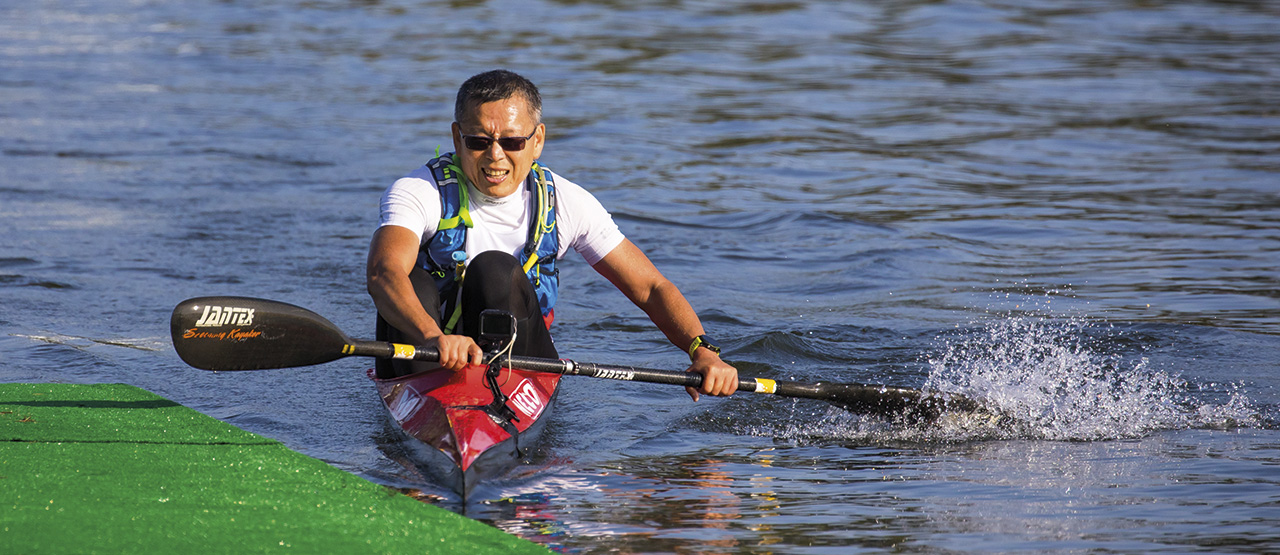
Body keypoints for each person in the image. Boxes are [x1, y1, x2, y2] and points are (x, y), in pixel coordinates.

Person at [365, 69, 736, 400]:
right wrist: (433, 337)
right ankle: (439, 393)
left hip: (517, 363)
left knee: (494, 269)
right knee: (414, 279)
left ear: (537, 140)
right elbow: (385, 273)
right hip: (423, 357)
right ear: (457, 138)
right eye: (479, 141)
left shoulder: (567, 202)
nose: (495, 156)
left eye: (512, 142)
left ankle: (494, 395)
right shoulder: (418, 190)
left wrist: (702, 351)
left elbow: (650, 287)